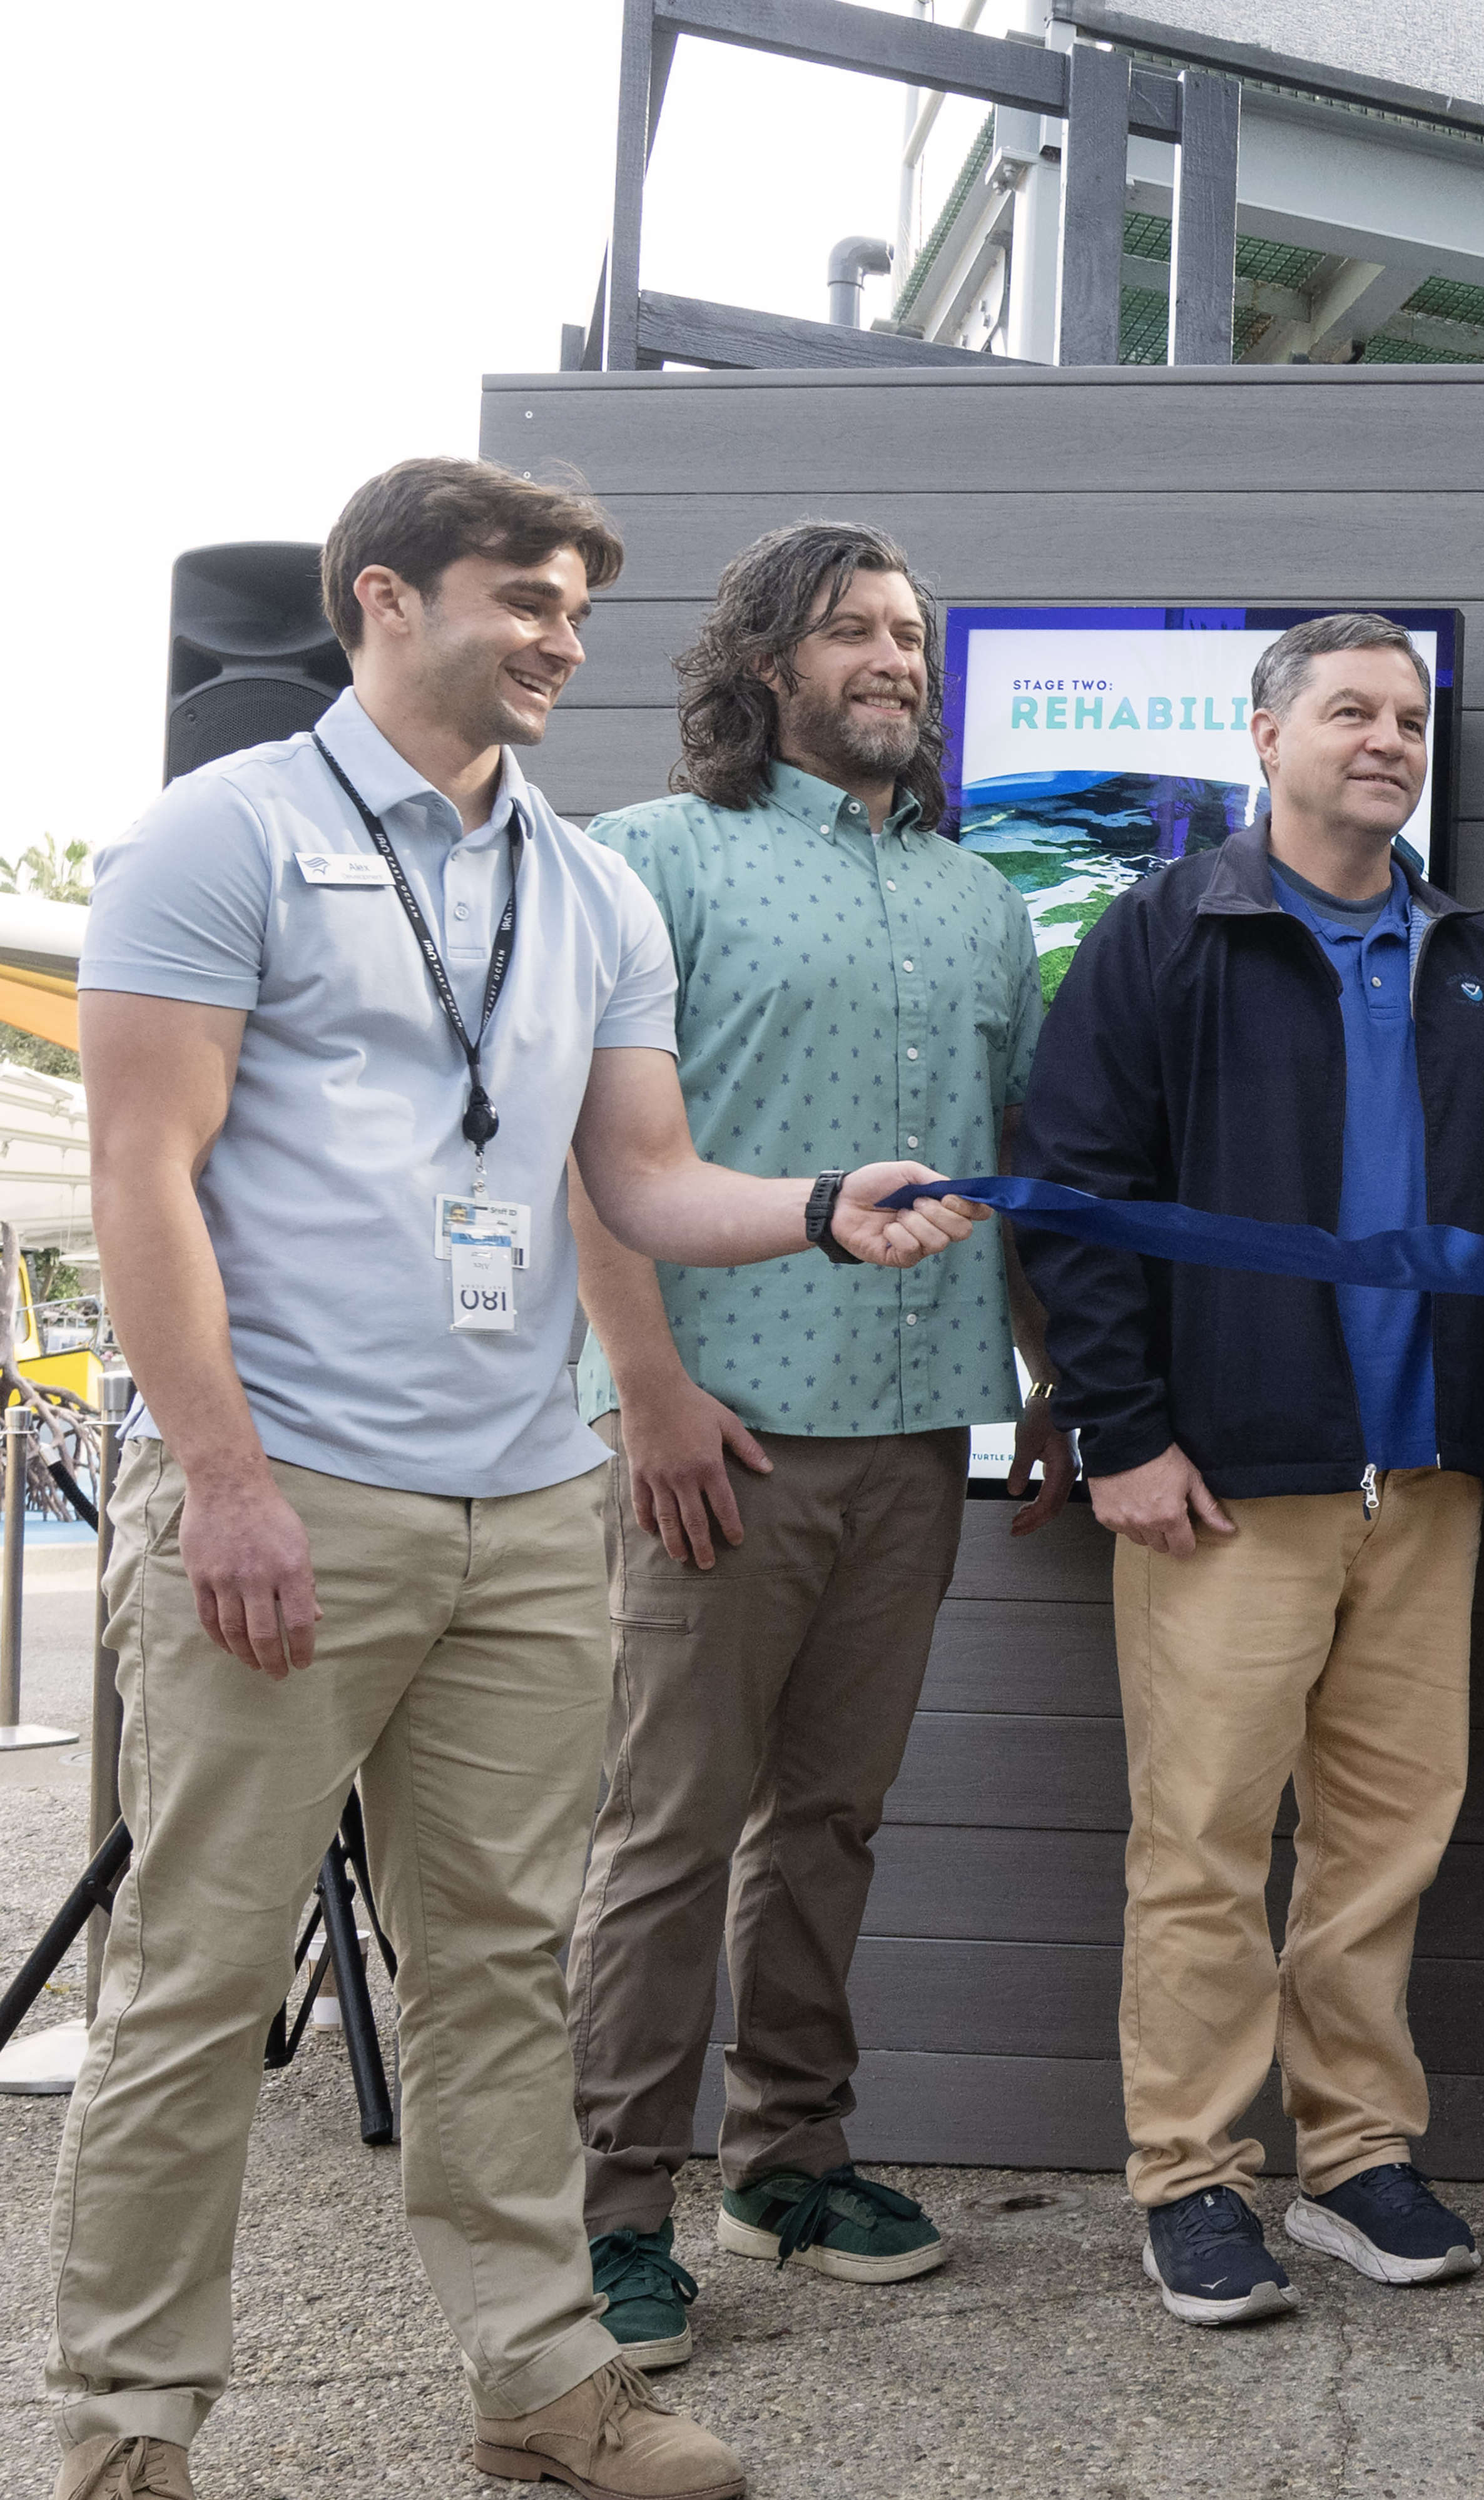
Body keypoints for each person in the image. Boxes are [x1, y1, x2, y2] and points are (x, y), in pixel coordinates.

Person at [51, 455, 985, 2500]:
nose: (562, 636)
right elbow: (144, 1180)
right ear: (380, 597)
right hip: (284, 1491)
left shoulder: (588, 888)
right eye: (521, 597)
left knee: (493, 1966)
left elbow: (635, 1177)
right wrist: (220, 1477)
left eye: (577, 604)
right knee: (202, 1974)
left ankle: (543, 2380)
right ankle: (127, 2419)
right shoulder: (224, 837)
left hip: (525, 1507)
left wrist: (826, 1204)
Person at [1015, 611, 1484, 2329]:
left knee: (1384, 1836)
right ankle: (1193, 2176)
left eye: (1406, 715)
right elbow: (1072, 1196)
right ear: (1264, 738)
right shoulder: (1166, 936)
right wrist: (1123, 1432)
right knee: (1200, 1839)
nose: (1387, 739)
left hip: (1426, 1477)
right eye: (1349, 710)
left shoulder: (1478, 960)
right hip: (1225, 1484)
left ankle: (1354, 2155)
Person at [559, 522, 1074, 2372]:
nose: (893, 659)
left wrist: (1044, 1375)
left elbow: (1001, 1165)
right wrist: (650, 1392)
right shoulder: (648, 860)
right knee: (667, 1833)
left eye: (914, 635)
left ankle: (787, 2154)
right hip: (721, 1433)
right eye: (854, 628)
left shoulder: (978, 898)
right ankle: (613, 2211)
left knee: (833, 1818)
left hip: (920, 1432)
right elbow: (591, 1153)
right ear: (767, 660)